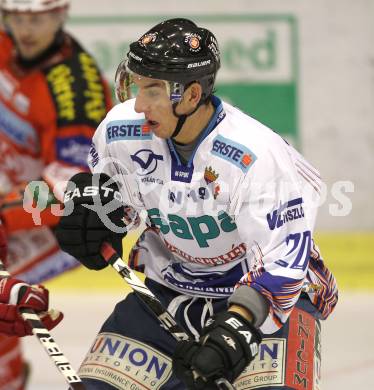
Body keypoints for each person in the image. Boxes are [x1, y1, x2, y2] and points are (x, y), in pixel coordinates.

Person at [56, 18, 338, 390]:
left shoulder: (256, 154)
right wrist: (95, 217)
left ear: (191, 95)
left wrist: (236, 329)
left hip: (264, 303)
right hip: (170, 293)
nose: (139, 104)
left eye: (153, 90)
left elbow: (283, 260)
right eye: (137, 86)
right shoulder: (120, 130)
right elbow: (120, 205)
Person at [0, 0, 113, 388]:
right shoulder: (4, 45)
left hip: (53, 226)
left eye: (39, 18)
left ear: (60, 15)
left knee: (1, 303)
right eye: (18, 16)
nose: (26, 29)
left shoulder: (74, 89)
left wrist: (2, 213)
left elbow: (65, 195)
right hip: (9, 198)